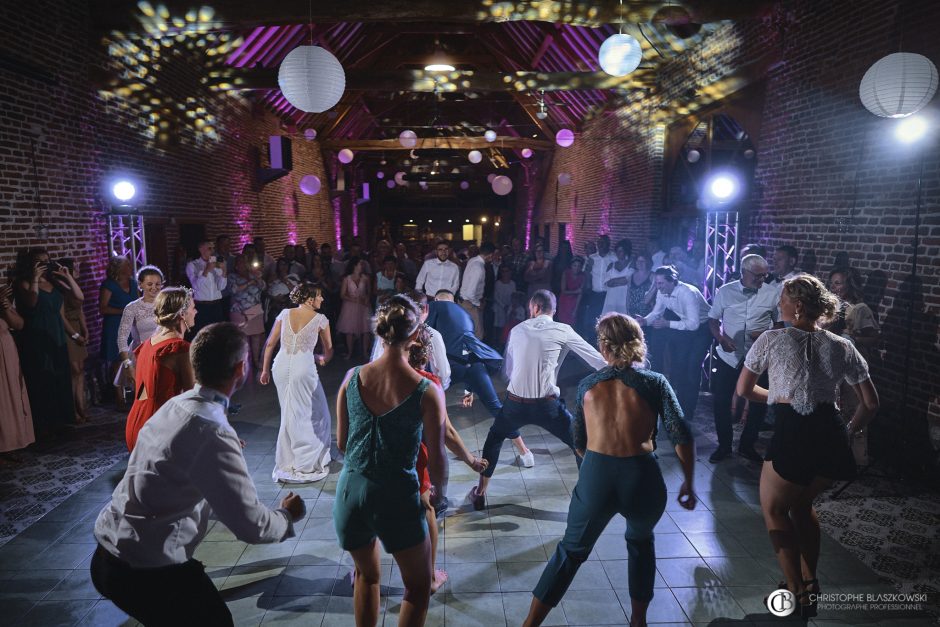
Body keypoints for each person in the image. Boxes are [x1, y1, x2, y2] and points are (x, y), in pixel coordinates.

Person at [92, 323, 304, 626]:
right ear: (241, 369)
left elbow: (173, 481)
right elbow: (250, 526)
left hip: (108, 553)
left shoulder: (174, 407)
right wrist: (285, 516)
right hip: (147, 566)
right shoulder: (211, 429)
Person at [524, 313, 697, 627]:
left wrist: (594, 469)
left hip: (598, 477)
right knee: (641, 544)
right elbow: (680, 434)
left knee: (571, 552)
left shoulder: (589, 385)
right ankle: (638, 621)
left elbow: (578, 442)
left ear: (604, 346)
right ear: (638, 343)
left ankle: (529, 625)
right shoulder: (655, 383)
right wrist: (689, 483)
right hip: (642, 477)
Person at [736, 275, 879, 619]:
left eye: (782, 298)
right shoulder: (842, 345)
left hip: (794, 432)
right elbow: (871, 404)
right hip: (830, 435)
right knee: (802, 506)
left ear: (796, 305)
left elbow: (743, 390)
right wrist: (847, 430)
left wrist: (779, 398)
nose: (778, 304)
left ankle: (795, 590)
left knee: (774, 510)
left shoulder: (772, 339)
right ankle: (810, 582)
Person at [333, 295, 447, 627]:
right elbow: (438, 461)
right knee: (418, 587)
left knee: (367, 577)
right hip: (396, 494)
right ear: (414, 335)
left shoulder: (352, 378)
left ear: (381, 333)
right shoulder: (425, 390)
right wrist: (438, 490)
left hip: (350, 493)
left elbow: (342, 443)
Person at [471, 290, 608, 509]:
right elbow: (598, 362)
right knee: (581, 444)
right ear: (554, 310)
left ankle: (480, 493)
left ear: (534, 308)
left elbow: (508, 371)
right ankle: (590, 497)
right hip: (547, 406)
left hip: (515, 404)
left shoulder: (516, 330)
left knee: (494, 439)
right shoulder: (564, 330)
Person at [406, 325, 489, 592]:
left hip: (373, 460)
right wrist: (471, 460)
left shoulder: (366, 375)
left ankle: (360, 570)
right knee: (426, 508)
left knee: (372, 510)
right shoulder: (427, 382)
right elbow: (447, 432)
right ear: (427, 351)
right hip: (412, 459)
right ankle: (429, 577)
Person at [428, 290, 533, 468]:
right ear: (453, 301)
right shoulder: (466, 314)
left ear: (436, 299)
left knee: (432, 408)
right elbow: (469, 346)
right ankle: (525, 452)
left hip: (449, 365)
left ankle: (436, 453)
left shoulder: (431, 308)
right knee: (495, 407)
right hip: (474, 365)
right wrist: (469, 389)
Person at [707, 254, 779, 463]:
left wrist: (765, 336)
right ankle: (724, 446)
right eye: (757, 275)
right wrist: (720, 338)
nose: (761, 280)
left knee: (758, 403)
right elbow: (712, 320)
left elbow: (780, 324)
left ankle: (747, 446)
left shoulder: (773, 293)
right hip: (729, 356)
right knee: (721, 401)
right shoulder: (725, 291)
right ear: (743, 272)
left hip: (759, 358)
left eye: (764, 275)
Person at [260, 283, 333, 483]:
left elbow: (270, 344)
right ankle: (305, 460)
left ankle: (289, 458)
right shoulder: (321, 319)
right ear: (310, 298)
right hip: (303, 367)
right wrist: (323, 358)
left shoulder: (284, 314)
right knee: (313, 412)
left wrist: (265, 369)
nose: (322, 299)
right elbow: (329, 349)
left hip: (280, 366)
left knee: (289, 411)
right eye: (319, 296)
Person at [12, 248, 78, 435]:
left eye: (46, 261)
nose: (43, 265)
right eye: (38, 262)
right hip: (36, 334)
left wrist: (67, 277)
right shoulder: (23, 283)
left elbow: (77, 297)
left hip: (55, 333)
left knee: (60, 374)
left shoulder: (54, 282)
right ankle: (44, 424)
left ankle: (62, 420)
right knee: (42, 377)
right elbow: (31, 303)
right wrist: (34, 279)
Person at [636, 266, 712, 423]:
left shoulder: (687, 293)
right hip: (684, 326)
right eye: (656, 283)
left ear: (672, 281)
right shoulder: (662, 291)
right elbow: (657, 312)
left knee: (692, 369)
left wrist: (667, 324)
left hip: (703, 328)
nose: (658, 286)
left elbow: (693, 324)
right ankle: (679, 407)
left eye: (661, 283)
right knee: (680, 367)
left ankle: (688, 412)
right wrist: (644, 320)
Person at [125, 287, 196, 451]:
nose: (196, 311)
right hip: (159, 428)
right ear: (182, 315)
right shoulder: (180, 349)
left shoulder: (148, 344)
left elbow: (145, 390)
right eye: (193, 307)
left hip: (137, 422)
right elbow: (193, 401)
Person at [371, 290, 451, 391]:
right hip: (417, 389)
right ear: (426, 309)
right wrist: (437, 390)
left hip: (387, 386)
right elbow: (443, 373)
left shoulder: (388, 329)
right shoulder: (432, 334)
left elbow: (376, 358)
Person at [117, 265, 164, 403]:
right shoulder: (132, 308)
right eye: (149, 284)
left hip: (165, 357)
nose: (154, 288)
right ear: (140, 285)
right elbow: (122, 337)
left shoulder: (167, 304)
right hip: (142, 358)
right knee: (145, 402)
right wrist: (127, 363)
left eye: (157, 284)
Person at [0, 284, 35, 457]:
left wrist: (5, 307)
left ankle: (11, 443)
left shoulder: (2, 299)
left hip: (6, 349)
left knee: (12, 396)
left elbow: (19, 324)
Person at [100, 256, 137, 403]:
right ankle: (119, 398)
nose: (130, 267)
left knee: (133, 359)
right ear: (119, 268)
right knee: (118, 361)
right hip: (115, 326)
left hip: (131, 327)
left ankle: (135, 394)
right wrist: (124, 311)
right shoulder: (109, 285)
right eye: (127, 265)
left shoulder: (133, 284)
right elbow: (103, 308)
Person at [60, 259, 89, 422]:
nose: (78, 269)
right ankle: (74, 410)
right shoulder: (60, 287)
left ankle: (81, 406)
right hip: (68, 329)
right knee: (74, 370)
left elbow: (80, 310)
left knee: (81, 369)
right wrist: (75, 335)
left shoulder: (74, 286)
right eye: (76, 267)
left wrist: (85, 330)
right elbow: (61, 316)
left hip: (77, 326)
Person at [229, 254, 266, 372]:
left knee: (256, 336)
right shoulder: (231, 276)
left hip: (254, 308)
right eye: (240, 262)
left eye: (245, 262)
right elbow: (234, 289)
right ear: (236, 266)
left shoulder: (253, 275)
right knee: (241, 338)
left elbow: (263, 287)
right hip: (238, 310)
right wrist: (250, 282)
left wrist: (258, 278)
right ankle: (242, 363)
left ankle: (256, 361)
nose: (243, 265)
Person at [185, 240, 227, 335]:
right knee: (203, 334)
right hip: (202, 306)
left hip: (216, 305)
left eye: (213, 248)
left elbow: (222, 287)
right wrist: (206, 271)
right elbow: (196, 286)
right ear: (201, 249)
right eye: (209, 248)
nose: (212, 251)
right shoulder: (193, 265)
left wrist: (224, 271)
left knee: (218, 334)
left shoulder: (217, 264)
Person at [581, 235, 617, 339]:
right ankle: (593, 342)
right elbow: (586, 273)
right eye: (599, 243)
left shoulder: (614, 257)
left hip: (609, 294)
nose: (601, 245)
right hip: (594, 294)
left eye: (604, 243)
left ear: (608, 244)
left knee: (607, 319)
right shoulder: (592, 258)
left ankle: (606, 340)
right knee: (592, 319)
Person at [338, 257, 372, 360]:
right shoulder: (347, 278)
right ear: (355, 266)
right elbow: (342, 294)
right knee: (349, 330)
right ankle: (349, 352)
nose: (362, 266)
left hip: (363, 306)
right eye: (360, 264)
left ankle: (365, 352)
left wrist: (366, 299)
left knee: (365, 330)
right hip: (350, 306)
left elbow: (369, 292)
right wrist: (352, 299)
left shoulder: (365, 278)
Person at [459, 242, 495, 339]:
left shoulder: (472, 260)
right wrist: (479, 304)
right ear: (490, 255)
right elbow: (470, 293)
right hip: (470, 304)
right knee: (478, 336)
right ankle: (471, 354)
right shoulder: (478, 267)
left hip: (464, 302)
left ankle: (466, 353)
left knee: (468, 333)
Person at [266, 258, 301, 329]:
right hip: (275, 306)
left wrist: (284, 280)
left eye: (285, 264)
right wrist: (274, 298)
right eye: (281, 264)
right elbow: (267, 291)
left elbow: (295, 291)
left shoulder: (293, 276)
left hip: (289, 305)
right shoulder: (273, 277)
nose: (284, 266)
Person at [602, 239, 634, 314]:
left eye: (621, 251)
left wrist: (614, 281)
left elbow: (628, 280)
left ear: (626, 252)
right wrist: (622, 281)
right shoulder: (611, 265)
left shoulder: (632, 264)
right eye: (617, 251)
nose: (618, 253)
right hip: (610, 299)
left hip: (624, 299)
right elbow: (608, 283)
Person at [556, 256, 585, 325]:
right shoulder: (566, 273)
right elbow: (563, 290)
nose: (576, 268)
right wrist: (575, 292)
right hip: (564, 300)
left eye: (579, 266)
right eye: (574, 265)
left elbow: (580, 294)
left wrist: (575, 309)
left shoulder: (583, 276)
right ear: (571, 266)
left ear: (581, 267)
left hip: (574, 302)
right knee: (562, 322)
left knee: (572, 323)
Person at [626, 253, 656, 318]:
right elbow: (628, 294)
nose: (640, 263)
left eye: (642, 261)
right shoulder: (632, 275)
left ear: (647, 262)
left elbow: (655, 295)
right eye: (638, 261)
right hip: (632, 312)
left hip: (647, 313)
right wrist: (627, 308)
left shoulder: (653, 276)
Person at [493, 264, 516, 333]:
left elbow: (514, 296)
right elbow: (496, 297)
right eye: (503, 271)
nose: (505, 273)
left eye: (507, 271)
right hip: (498, 308)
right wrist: (504, 306)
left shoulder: (513, 283)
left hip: (509, 308)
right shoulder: (498, 283)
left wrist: (512, 307)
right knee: (498, 327)